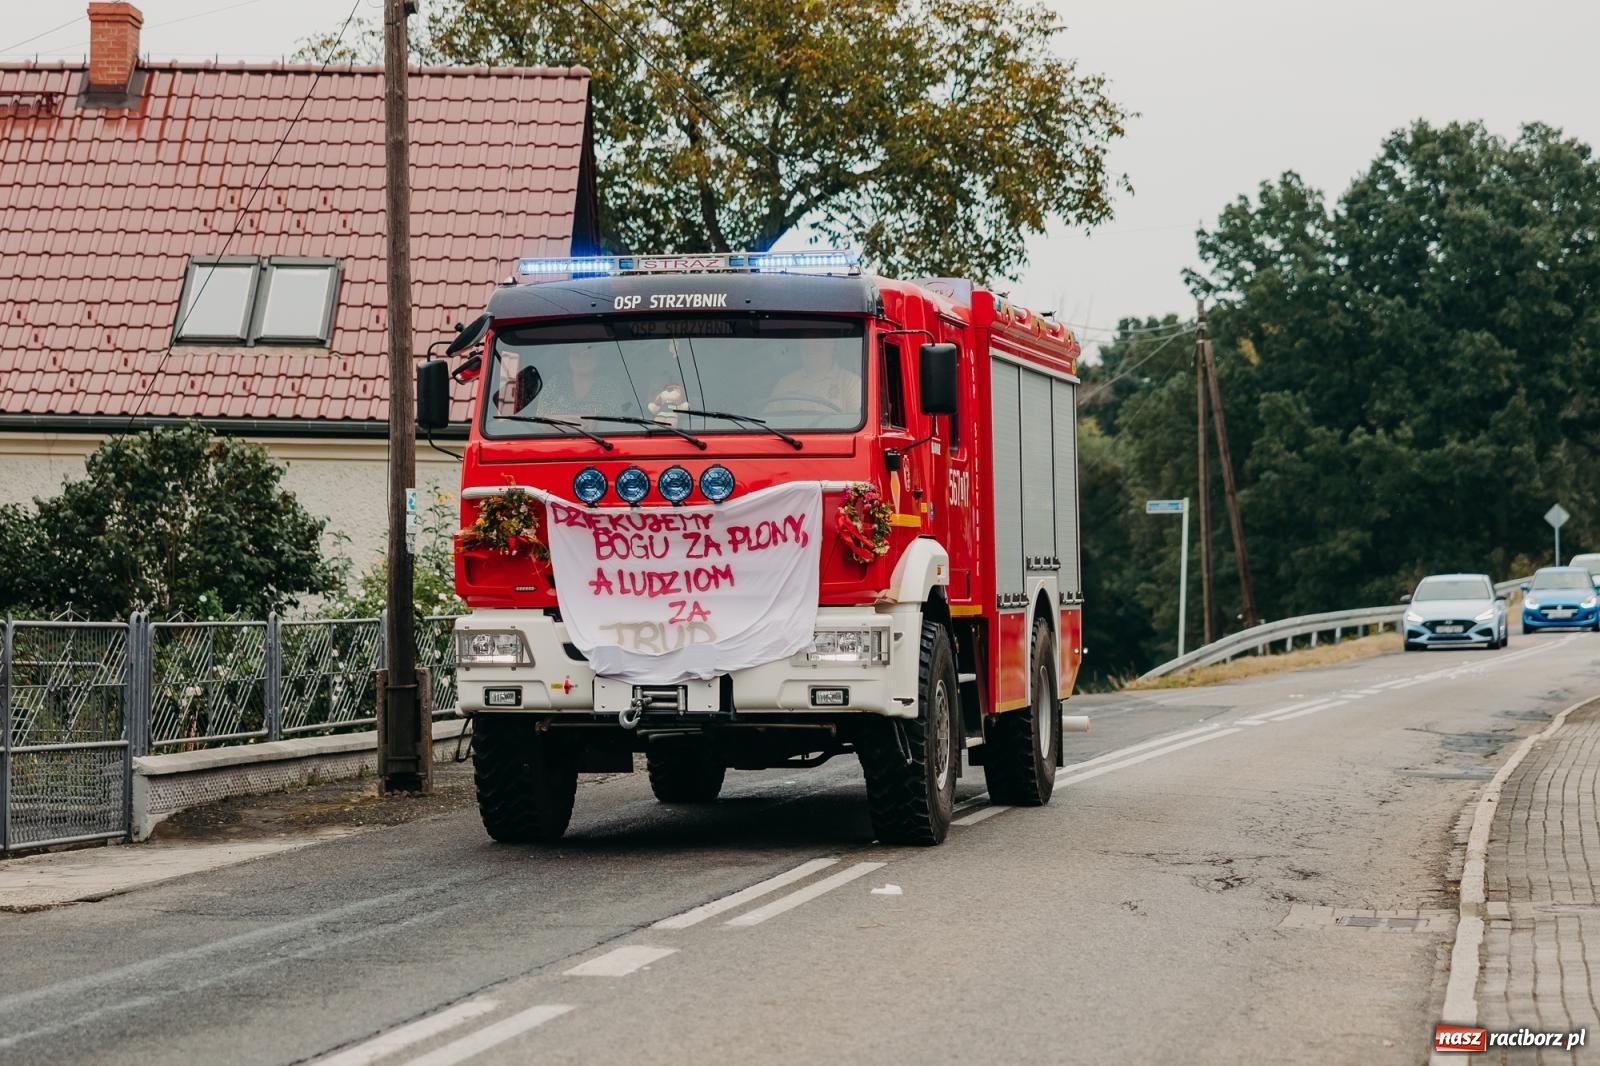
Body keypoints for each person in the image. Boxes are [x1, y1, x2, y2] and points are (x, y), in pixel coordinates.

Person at [766, 338, 861, 417]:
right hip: (789, 439)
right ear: (800, 350)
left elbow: (854, 422)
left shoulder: (851, 382)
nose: (811, 351)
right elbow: (769, 421)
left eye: (818, 347)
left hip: (832, 439)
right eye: (806, 347)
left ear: (832, 347)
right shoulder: (785, 383)